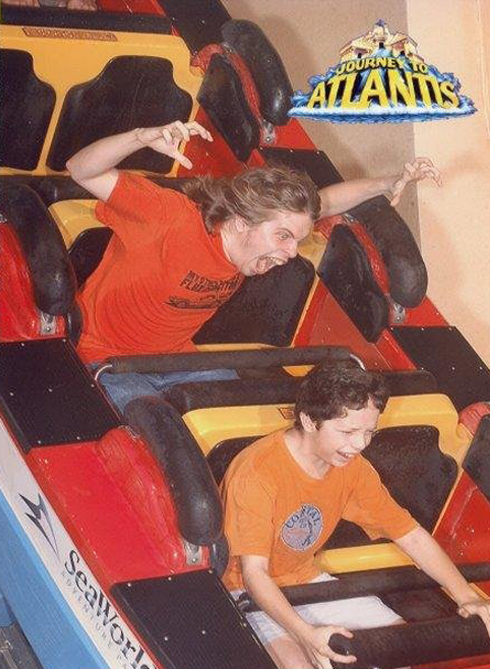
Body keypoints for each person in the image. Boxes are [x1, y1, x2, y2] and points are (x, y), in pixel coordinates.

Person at [66, 121, 441, 412]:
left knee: (243, 414)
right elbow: (81, 169)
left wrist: (389, 182)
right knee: (151, 427)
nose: (291, 252)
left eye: (295, 239)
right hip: (105, 357)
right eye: (283, 236)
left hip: (176, 360)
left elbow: (325, 202)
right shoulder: (170, 217)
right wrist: (139, 137)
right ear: (241, 221)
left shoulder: (256, 239)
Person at [221, 362, 490, 669]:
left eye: (368, 432)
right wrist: (305, 635)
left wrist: (465, 596)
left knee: (398, 653)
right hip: (243, 590)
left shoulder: (352, 467)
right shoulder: (257, 473)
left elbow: (411, 536)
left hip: (305, 579)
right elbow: (254, 574)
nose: (360, 444)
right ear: (309, 421)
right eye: (348, 432)